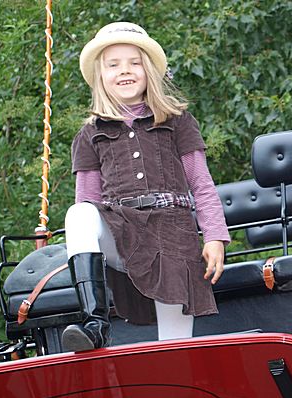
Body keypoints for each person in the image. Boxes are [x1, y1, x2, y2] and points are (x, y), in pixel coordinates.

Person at [63, 22, 229, 350]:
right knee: (79, 213)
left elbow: (201, 183)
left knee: (175, 346)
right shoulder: (89, 134)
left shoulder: (178, 121)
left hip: (172, 237)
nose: (124, 71)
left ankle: (178, 379)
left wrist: (214, 236)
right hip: (121, 236)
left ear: (149, 70)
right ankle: (94, 323)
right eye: (113, 64)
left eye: (134, 62)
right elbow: (87, 201)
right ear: (100, 76)